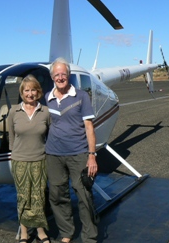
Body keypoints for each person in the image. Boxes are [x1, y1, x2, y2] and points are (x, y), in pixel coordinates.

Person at [45, 58, 98, 243]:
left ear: (69, 76)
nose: (60, 77)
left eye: (63, 74)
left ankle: (89, 237)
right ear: (52, 77)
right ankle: (66, 233)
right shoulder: (47, 98)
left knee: (84, 194)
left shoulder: (81, 96)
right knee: (57, 195)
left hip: (78, 153)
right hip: (53, 154)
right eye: (57, 74)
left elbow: (89, 127)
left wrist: (92, 156)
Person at [8, 75, 51, 243]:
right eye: (27, 90)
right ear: (22, 92)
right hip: (19, 160)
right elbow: (11, 137)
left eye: (33, 90)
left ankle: (41, 231)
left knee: (38, 196)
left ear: (38, 92)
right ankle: (24, 232)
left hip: (39, 159)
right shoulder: (14, 111)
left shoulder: (45, 112)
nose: (30, 93)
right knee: (23, 196)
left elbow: (51, 136)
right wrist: (14, 155)